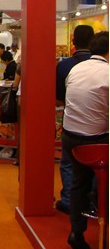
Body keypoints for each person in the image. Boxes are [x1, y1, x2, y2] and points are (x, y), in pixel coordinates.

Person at [62, 31, 109, 249]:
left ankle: (76, 231)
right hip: (96, 142)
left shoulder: (76, 68)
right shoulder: (107, 73)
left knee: (78, 183)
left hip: (70, 137)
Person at [55, 25, 95, 215]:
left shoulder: (64, 66)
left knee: (69, 162)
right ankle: (92, 202)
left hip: (71, 121)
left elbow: (58, 98)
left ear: (73, 41)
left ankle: (68, 201)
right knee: (95, 164)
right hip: (99, 125)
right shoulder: (103, 66)